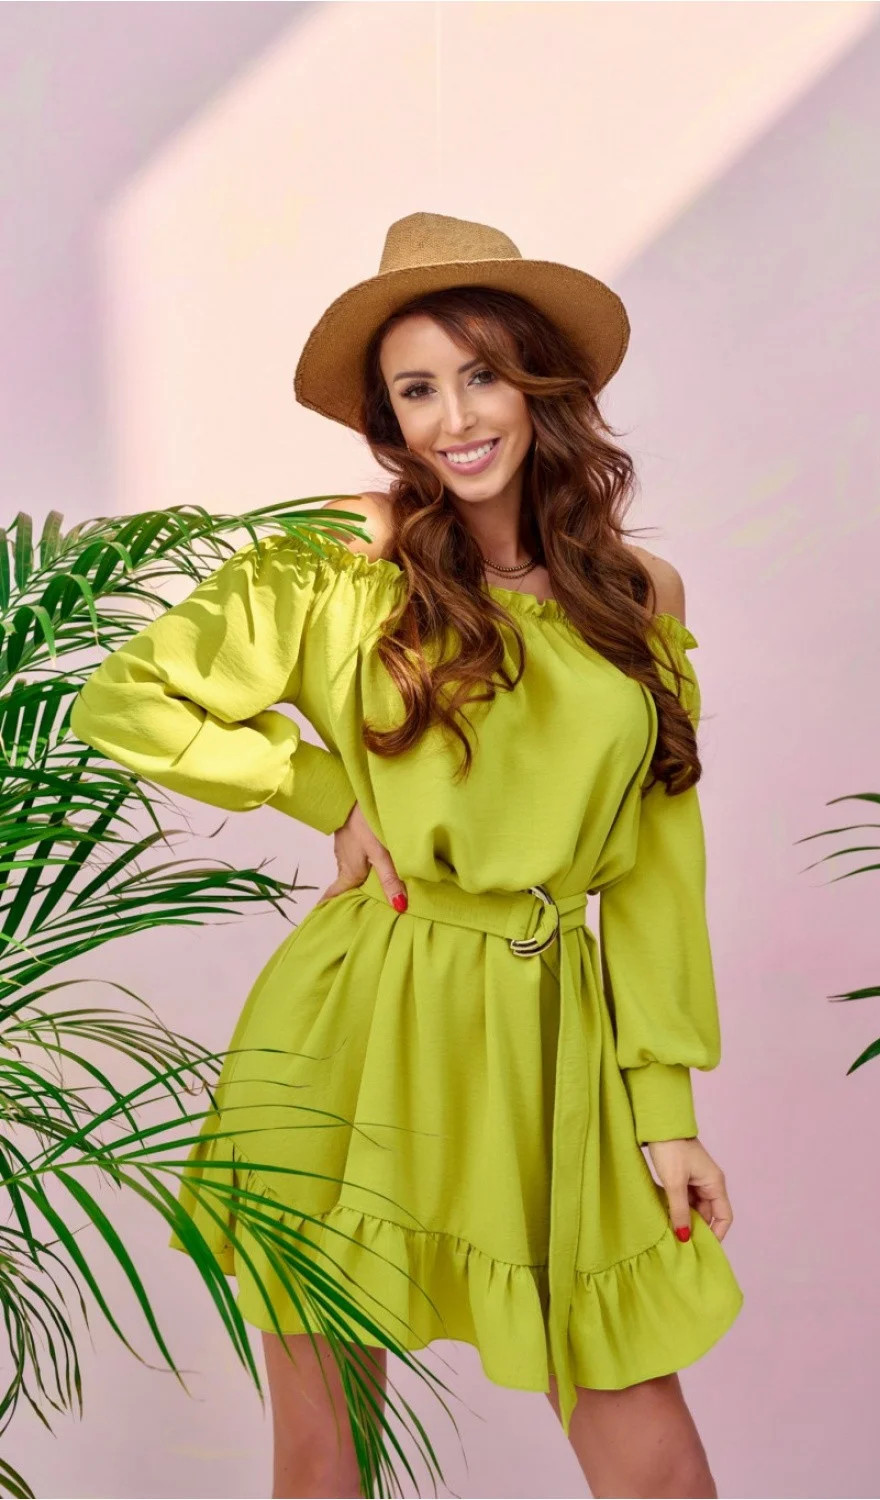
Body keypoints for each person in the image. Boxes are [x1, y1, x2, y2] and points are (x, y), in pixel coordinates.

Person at [70, 212, 744, 1499]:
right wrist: (324, 791)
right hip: (361, 1020)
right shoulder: (352, 550)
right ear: (388, 419)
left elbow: (659, 867)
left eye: (481, 375)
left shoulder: (636, 596)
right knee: (326, 1460)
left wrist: (664, 1112)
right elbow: (131, 698)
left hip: (550, 1035)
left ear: (540, 384)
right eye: (416, 390)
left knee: (653, 1459)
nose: (455, 418)